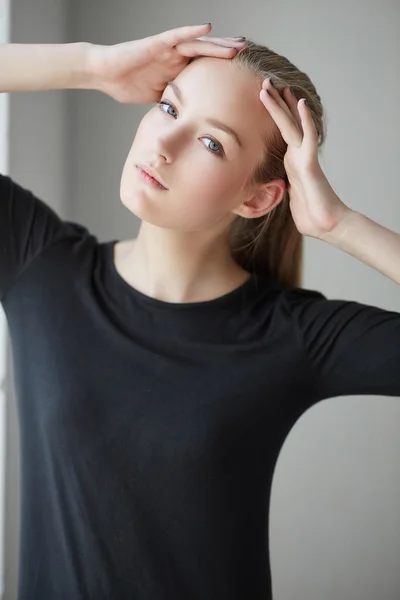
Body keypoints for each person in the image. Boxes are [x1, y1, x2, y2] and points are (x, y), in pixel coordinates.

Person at [0, 22, 399, 600]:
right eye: (167, 108)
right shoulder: (41, 267)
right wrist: (93, 66)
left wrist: (340, 224)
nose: (164, 144)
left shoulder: (291, 335)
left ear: (258, 197)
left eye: (212, 142)